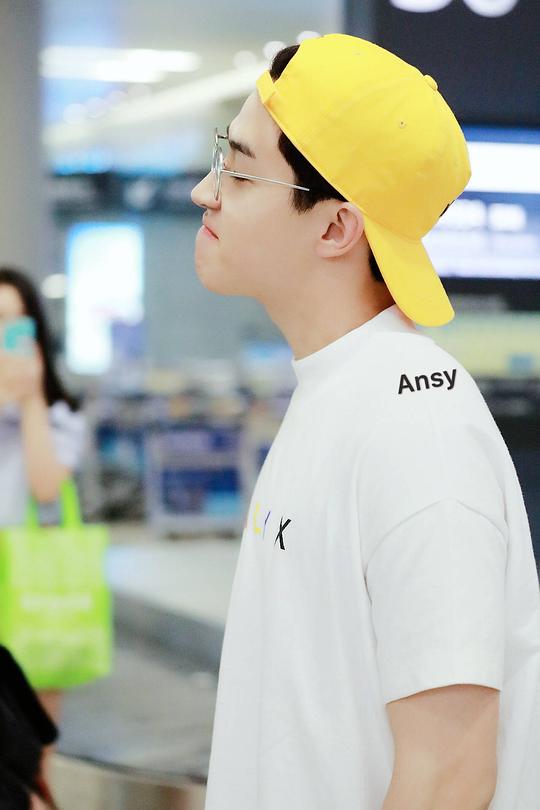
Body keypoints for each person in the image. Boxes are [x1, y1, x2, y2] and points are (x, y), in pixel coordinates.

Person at [190, 34, 540, 810]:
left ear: (335, 228)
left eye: (238, 171)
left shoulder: (418, 432)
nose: (203, 192)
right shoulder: (338, 392)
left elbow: (450, 775)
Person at [0, 266, 86, 807]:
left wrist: (30, 399)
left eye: (14, 320)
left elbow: (46, 485)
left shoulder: (59, 414)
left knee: (31, 758)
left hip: (34, 592)